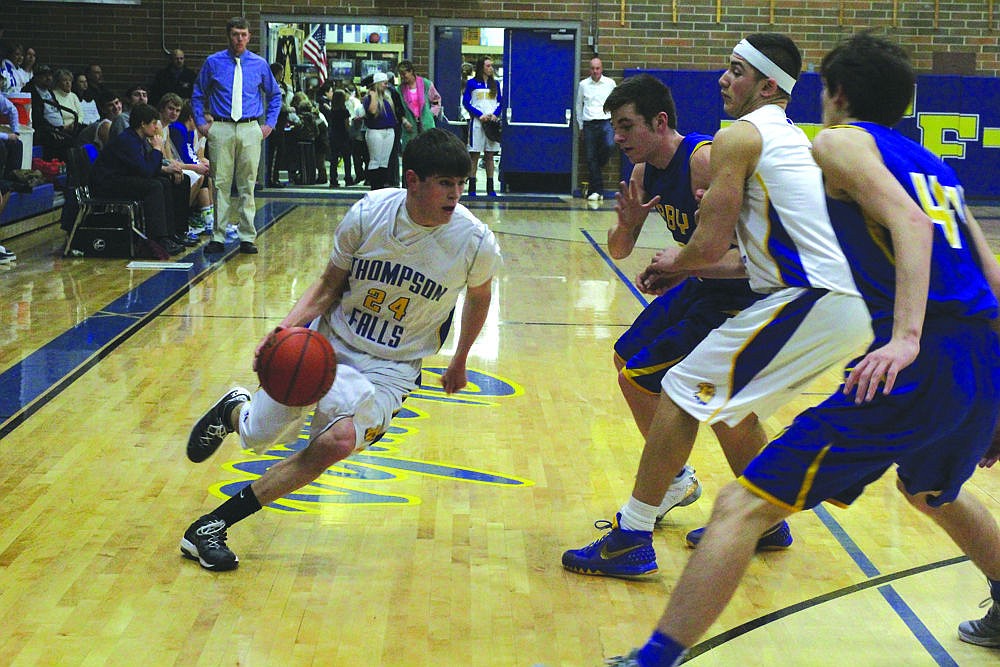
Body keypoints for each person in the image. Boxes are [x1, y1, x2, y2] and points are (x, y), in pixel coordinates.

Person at [610, 32, 1000, 667]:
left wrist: (904, 339)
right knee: (933, 491)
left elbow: (909, 224)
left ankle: (652, 656)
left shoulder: (840, 139)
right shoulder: (938, 167)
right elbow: (991, 281)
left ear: (837, 95)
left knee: (740, 504)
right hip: (978, 359)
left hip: (921, 356)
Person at [562, 33, 874, 578]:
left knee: (680, 388)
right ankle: (764, 518)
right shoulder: (792, 139)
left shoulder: (735, 140)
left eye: (735, 70)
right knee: (724, 405)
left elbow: (708, 248)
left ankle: (632, 535)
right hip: (824, 298)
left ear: (769, 84)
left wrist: (676, 259)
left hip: (808, 296)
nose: (723, 79)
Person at [180, 128, 503, 571]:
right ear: (413, 180)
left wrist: (461, 358)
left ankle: (212, 525)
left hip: (392, 367)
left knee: (336, 441)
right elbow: (328, 285)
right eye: (445, 183)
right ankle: (233, 411)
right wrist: (282, 332)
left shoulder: (474, 241)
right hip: (329, 344)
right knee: (256, 437)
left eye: (461, 184)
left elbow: (480, 298)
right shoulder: (369, 214)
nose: (456, 194)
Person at [591, 73, 767, 541]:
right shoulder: (644, 173)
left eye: (627, 126)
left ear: (660, 121)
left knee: (645, 380)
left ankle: (673, 482)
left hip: (740, 296)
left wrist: (684, 265)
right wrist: (627, 225)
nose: (618, 137)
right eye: (615, 127)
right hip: (700, 287)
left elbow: (757, 253)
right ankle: (763, 515)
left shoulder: (704, 160)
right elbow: (620, 250)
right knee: (626, 358)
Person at [192, 16, 281, 255]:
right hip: (220, 126)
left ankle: (247, 237)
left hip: (251, 127)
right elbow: (198, 93)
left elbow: (275, 95)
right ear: (228, 36)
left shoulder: (260, 64)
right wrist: (201, 122)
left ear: (249, 36)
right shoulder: (213, 62)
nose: (239, 39)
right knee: (220, 182)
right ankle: (218, 236)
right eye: (234, 34)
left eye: (243, 34)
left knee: (247, 183)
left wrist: (269, 124)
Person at [90, 102, 186, 256]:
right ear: (143, 124)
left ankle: (172, 233)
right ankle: (158, 239)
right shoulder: (127, 140)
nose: (156, 128)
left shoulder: (137, 138)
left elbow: (145, 167)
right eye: (154, 123)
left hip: (122, 178)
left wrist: (166, 169)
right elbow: (146, 171)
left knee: (165, 181)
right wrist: (157, 149)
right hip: (107, 184)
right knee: (154, 186)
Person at [576, 57, 617, 201]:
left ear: (602, 68)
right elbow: (578, 106)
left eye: (597, 68)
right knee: (590, 157)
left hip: (606, 122)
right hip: (589, 124)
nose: (595, 71)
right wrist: (581, 125)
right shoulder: (583, 85)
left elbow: (616, 103)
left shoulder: (610, 84)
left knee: (610, 145)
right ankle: (598, 191)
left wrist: (615, 121)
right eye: (592, 68)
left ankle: (595, 185)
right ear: (589, 70)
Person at [462, 56, 502, 197]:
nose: (491, 68)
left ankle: (490, 188)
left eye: (491, 66)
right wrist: (479, 114)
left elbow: (500, 103)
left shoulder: (495, 84)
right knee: (475, 155)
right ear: (481, 67)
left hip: (491, 123)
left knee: (490, 155)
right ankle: (472, 187)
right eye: (488, 66)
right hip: (478, 124)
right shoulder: (472, 83)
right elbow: (466, 102)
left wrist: (495, 114)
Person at [362, 71, 397, 190]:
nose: (386, 86)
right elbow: (372, 111)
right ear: (377, 84)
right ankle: (374, 186)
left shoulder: (388, 97)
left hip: (389, 130)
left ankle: (382, 186)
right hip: (375, 131)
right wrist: (374, 96)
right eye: (384, 83)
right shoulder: (369, 97)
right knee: (375, 160)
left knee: (384, 161)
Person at [396, 60, 441, 152]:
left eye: (404, 73)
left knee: (428, 151)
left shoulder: (426, 84)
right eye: (400, 74)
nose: (402, 76)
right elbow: (398, 108)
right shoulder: (399, 89)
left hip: (426, 124)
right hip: (409, 127)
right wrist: (404, 120)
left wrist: (430, 114)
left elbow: (436, 100)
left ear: (411, 71)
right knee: (411, 152)